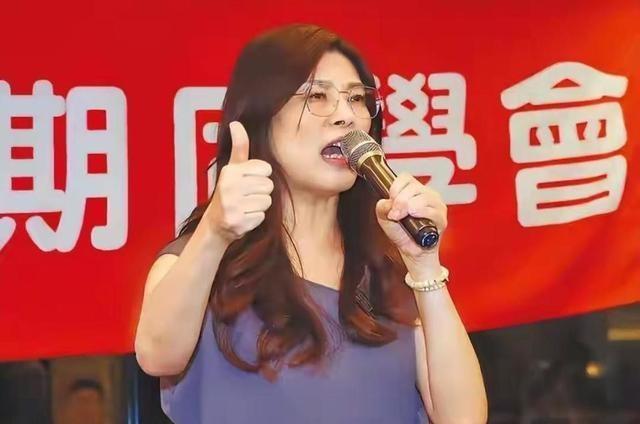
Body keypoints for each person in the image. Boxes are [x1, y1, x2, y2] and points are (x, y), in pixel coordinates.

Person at [135, 23, 487, 423]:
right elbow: (156, 355)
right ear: (261, 115)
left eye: (356, 99)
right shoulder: (202, 260)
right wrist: (215, 232)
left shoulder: (387, 274)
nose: (346, 116)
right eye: (317, 96)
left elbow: (464, 419)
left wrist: (425, 267)